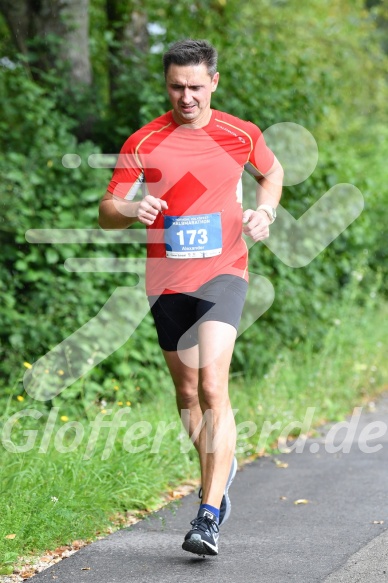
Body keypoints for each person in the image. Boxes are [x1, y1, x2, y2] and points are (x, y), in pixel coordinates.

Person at [99, 39, 283, 557]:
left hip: (224, 272)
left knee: (211, 384)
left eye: (196, 87)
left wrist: (264, 214)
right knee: (185, 396)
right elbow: (106, 208)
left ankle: (207, 512)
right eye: (177, 86)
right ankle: (217, 483)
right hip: (165, 280)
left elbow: (273, 174)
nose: (187, 97)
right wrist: (129, 210)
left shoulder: (239, 134)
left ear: (214, 84)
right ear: (167, 84)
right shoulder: (145, 140)